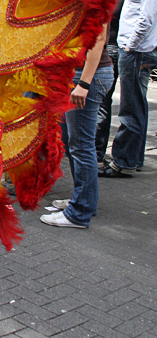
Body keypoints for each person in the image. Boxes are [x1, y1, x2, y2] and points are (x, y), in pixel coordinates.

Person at [40, 26, 114, 228]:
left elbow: (97, 40)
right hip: (79, 74)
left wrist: (84, 84)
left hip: (86, 76)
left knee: (81, 146)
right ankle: (83, 200)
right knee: (74, 144)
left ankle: (80, 211)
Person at [100, 0, 157, 177]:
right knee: (136, 108)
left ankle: (122, 161)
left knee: (131, 109)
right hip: (136, 51)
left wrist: (129, 45)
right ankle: (132, 158)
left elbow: (146, 18)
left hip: (135, 52)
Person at [95, 0, 135, 166]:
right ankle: (96, 151)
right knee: (104, 104)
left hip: (110, 49)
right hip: (111, 49)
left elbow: (101, 34)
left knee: (103, 104)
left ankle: (97, 153)